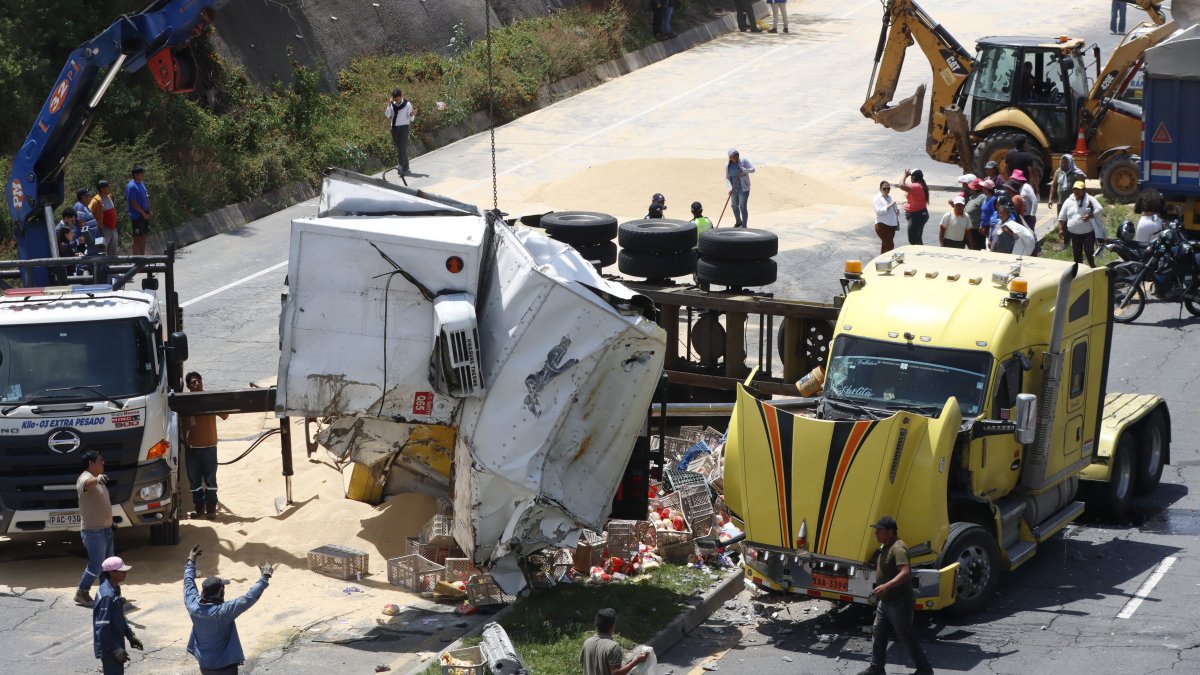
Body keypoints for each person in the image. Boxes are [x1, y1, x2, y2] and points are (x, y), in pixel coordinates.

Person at [858, 516, 932, 675]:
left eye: (879, 530)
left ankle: (925, 669)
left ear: (890, 532)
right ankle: (877, 668)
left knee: (906, 636)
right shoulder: (886, 546)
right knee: (879, 634)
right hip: (885, 602)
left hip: (900, 603)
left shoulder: (898, 548)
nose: (876, 533)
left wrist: (886, 585)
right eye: (876, 530)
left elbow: (905, 573)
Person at [184, 545, 272, 675]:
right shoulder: (223, 612)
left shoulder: (193, 605)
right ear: (220, 591)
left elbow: (188, 583)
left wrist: (191, 560)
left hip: (205, 665)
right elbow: (248, 598)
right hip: (225, 667)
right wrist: (265, 576)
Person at [183, 372, 230, 520]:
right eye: (192, 383)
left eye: (198, 381)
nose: (196, 384)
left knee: (210, 480)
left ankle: (211, 509)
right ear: (188, 386)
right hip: (191, 449)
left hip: (209, 447)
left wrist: (220, 400)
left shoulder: (209, 399)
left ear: (202, 382)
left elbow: (225, 415)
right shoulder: (185, 402)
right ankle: (199, 509)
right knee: (194, 481)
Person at [75, 450, 114, 608]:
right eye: (100, 460)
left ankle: (110, 595)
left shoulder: (98, 481)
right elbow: (86, 485)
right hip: (93, 532)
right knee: (97, 565)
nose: (103, 462)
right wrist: (97, 479)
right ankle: (81, 592)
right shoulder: (85, 478)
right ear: (91, 463)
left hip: (106, 530)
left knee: (110, 566)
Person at [93, 556, 143, 674]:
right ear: (111, 572)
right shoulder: (107, 595)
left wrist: (130, 635)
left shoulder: (114, 589)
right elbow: (102, 627)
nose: (125, 573)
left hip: (115, 643)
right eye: (121, 570)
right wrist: (115, 649)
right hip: (109, 647)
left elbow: (119, 617)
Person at [580, 608, 650, 675]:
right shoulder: (613, 647)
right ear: (612, 626)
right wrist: (636, 661)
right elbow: (616, 673)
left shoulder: (587, 642)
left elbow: (583, 665)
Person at [1057, 181, 1104, 267]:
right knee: (1077, 255)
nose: (1076, 191)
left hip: (1088, 234)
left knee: (1089, 253)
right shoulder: (1068, 201)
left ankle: (1092, 268)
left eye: (1079, 189)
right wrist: (1060, 229)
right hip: (1074, 235)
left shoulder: (1090, 199)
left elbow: (1100, 209)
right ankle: (1079, 272)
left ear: (1084, 190)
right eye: (1075, 189)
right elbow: (1062, 217)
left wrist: (1090, 215)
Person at [385, 88, 416, 175]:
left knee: (402, 148)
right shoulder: (392, 104)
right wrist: (389, 104)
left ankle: (401, 167)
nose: (397, 101)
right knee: (399, 149)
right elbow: (388, 115)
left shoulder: (407, 104)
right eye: (395, 99)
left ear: (401, 96)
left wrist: (412, 115)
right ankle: (406, 166)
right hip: (394, 128)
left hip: (404, 128)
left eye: (398, 99)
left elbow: (411, 119)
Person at [896, 168, 929, 245]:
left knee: (913, 240)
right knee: (917, 239)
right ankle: (920, 255)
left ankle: (918, 255)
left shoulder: (916, 186)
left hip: (916, 216)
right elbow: (905, 185)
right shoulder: (920, 185)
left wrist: (905, 175)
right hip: (920, 215)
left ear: (913, 177)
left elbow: (901, 185)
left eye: (911, 176)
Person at [725, 148, 755, 228]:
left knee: (742, 206)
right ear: (730, 157)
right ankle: (738, 222)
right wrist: (730, 188)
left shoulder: (744, 161)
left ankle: (744, 226)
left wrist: (745, 170)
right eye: (734, 156)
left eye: (737, 155)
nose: (736, 157)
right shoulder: (728, 166)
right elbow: (727, 178)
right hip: (734, 188)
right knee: (734, 206)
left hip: (743, 188)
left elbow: (753, 170)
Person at [89, 179, 119, 257]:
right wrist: (98, 224)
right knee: (102, 250)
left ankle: (112, 267)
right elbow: (89, 212)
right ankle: (103, 267)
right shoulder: (95, 201)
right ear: (102, 189)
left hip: (113, 227)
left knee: (113, 250)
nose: (110, 188)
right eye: (108, 187)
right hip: (103, 229)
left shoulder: (110, 196)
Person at [126, 166, 151, 255]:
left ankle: (142, 256)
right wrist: (143, 213)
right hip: (137, 215)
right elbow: (133, 202)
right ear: (135, 175)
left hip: (145, 213)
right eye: (141, 173)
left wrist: (149, 209)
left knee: (143, 236)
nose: (143, 175)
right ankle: (136, 259)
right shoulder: (131, 186)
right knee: (137, 237)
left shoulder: (141, 183)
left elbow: (146, 197)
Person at [873, 180, 900, 254]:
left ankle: (881, 262)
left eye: (888, 188)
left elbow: (894, 209)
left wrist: (897, 211)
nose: (887, 190)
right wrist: (889, 206)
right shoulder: (877, 198)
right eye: (884, 189)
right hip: (882, 225)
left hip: (892, 225)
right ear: (880, 189)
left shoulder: (890, 197)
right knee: (890, 246)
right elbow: (878, 212)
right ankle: (887, 262)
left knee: (885, 246)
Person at [964, 179, 988, 250]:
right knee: (971, 248)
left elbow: (985, 212)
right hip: (970, 229)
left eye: (971, 187)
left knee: (977, 248)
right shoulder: (973, 196)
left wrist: (982, 225)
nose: (970, 188)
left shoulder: (982, 197)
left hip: (977, 230)